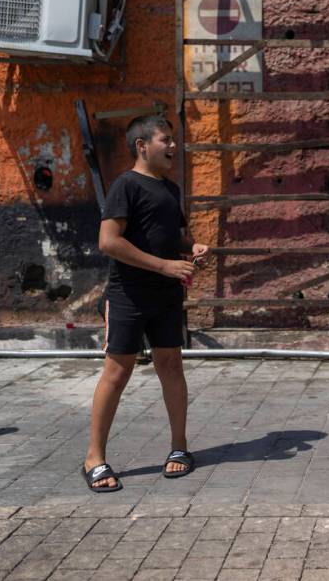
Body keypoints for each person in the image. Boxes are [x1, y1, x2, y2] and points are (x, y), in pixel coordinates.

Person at [82, 115, 209, 492]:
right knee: (117, 374)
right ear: (142, 146)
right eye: (165, 140)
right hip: (128, 296)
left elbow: (173, 235)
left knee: (171, 366)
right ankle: (94, 458)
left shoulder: (169, 189)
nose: (173, 146)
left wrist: (191, 246)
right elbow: (108, 242)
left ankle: (180, 448)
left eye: (173, 140)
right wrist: (164, 265)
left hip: (166, 296)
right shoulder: (126, 186)